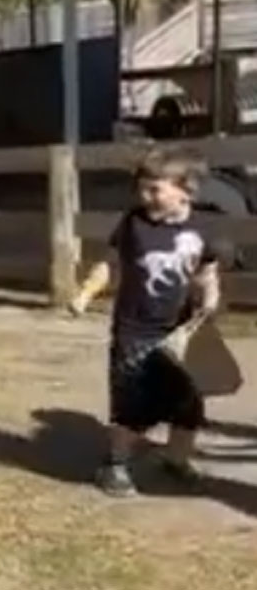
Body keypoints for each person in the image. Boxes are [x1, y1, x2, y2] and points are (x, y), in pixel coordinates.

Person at [70, 147, 223, 497]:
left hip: (178, 332)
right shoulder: (134, 225)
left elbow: (207, 270)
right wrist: (86, 293)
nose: (145, 197)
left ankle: (175, 459)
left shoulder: (202, 229)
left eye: (155, 189)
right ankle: (115, 464)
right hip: (135, 330)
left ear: (186, 190)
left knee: (187, 401)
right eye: (141, 189)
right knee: (133, 400)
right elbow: (109, 263)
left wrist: (209, 301)